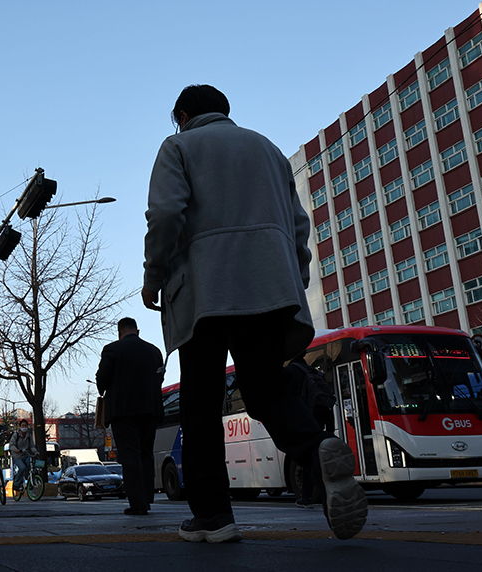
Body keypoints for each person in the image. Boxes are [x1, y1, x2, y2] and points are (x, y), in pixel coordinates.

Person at [142, 84, 367, 543]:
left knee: (201, 404)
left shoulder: (179, 145)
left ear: (182, 114)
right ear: (225, 111)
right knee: (266, 389)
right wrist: (294, 276)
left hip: (206, 290)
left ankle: (213, 517)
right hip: (268, 283)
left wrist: (154, 274)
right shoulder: (268, 149)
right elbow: (299, 223)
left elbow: (166, 214)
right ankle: (315, 445)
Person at [95, 317, 164, 515]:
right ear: (137, 331)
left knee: (130, 454)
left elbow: (102, 379)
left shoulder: (112, 349)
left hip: (123, 411)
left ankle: (137, 502)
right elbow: (159, 377)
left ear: (119, 332)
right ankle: (147, 497)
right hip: (150, 409)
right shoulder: (154, 351)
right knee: (145, 452)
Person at [288, 357, 337, 508]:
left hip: (306, 417)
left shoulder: (291, 372)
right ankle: (331, 494)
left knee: (308, 458)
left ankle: (307, 497)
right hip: (324, 416)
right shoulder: (315, 372)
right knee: (320, 454)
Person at [8, 419, 38, 493]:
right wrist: (16, 450)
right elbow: (11, 445)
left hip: (26, 454)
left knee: (32, 466)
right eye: (22, 426)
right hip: (17, 456)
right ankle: (16, 484)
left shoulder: (29, 435)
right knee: (22, 468)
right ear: (20, 427)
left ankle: (31, 482)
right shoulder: (16, 435)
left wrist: (35, 452)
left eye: (25, 426)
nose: (24, 427)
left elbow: (32, 446)